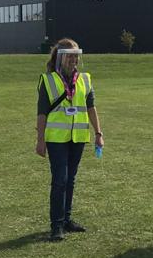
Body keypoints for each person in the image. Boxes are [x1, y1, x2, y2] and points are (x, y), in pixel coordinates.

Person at [35, 38, 104, 241]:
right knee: (60, 180)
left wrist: (98, 133)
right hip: (56, 139)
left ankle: (66, 220)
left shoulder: (85, 79)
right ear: (60, 58)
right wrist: (40, 140)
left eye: (76, 56)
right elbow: (41, 113)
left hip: (78, 136)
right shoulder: (48, 80)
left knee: (70, 180)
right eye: (70, 56)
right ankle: (56, 226)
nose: (74, 60)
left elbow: (91, 107)